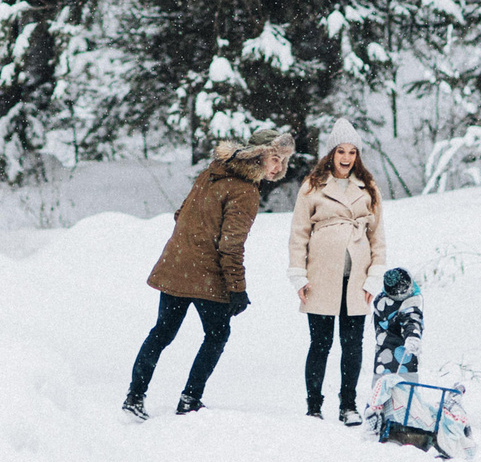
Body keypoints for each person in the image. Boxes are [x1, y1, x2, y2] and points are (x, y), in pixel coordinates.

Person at [124, 131, 294, 419]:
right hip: (205, 273)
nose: (277, 167)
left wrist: (192, 242)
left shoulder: (212, 172)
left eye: (283, 161)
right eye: (274, 158)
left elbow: (182, 214)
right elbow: (231, 245)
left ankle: (134, 397)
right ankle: (190, 398)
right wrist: (237, 289)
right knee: (217, 335)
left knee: (162, 333)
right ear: (258, 155)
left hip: (177, 264)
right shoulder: (245, 191)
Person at [286, 121, 386, 423]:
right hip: (320, 275)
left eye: (352, 151)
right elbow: (299, 234)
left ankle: (348, 405)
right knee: (321, 343)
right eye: (341, 151)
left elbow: (377, 237)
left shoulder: (368, 188)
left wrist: (374, 276)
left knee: (352, 344)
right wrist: (298, 275)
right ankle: (314, 406)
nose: (346, 157)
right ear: (331, 153)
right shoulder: (312, 187)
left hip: (356, 279)